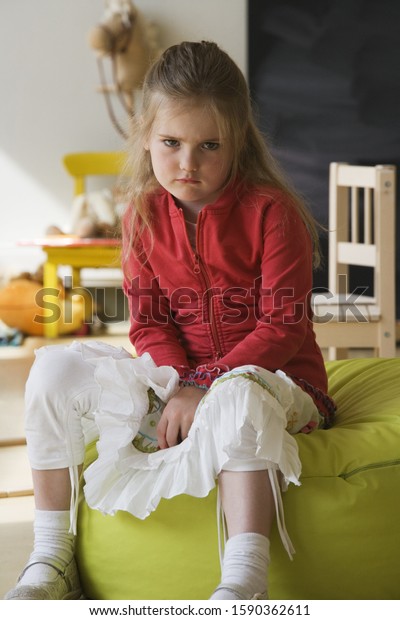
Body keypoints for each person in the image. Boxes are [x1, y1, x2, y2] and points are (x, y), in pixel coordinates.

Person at [5, 40, 336, 601]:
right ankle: (51, 556)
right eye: (171, 143)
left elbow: (281, 327)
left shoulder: (272, 213)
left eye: (210, 145)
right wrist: (178, 385)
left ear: (238, 141)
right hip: (178, 383)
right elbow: (150, 325)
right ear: (146, 138)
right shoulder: (140, 214)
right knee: (54, 370)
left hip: (276, 383)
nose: (188, 163)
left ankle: (243, 582)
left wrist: (205, 385)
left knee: (237, 397)